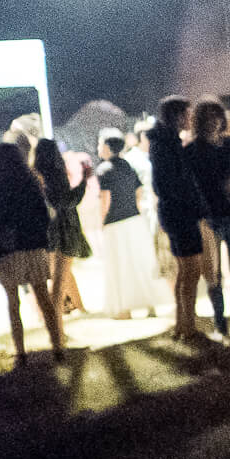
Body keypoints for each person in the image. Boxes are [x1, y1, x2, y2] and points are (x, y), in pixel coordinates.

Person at [0, 141, 67, 364]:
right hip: (32, 245)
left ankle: (20, 352)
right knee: (43, 297)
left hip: (8, 249)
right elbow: (43, 215)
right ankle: (57, 345)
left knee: (13, 302)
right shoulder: (30, 180)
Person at [185, 99, 230, 336]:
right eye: (208, 117)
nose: (214, 122)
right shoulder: (192, 152)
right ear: (200, 122)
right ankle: (220, 324)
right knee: (213, 275)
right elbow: (190, 187)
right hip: (208, 218)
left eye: (217, 116)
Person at [146, 98, 210, 341]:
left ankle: (182, 325)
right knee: (191, 270)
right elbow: (172, 183)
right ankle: (188, 327)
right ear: (177, 116)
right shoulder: (166, 145)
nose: (190, 118)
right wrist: (192, 203)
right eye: (187, 113)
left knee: (185, 271)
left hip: (174, 211)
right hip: (180, 212)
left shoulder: (164, 142)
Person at [92, 131, 164, 318]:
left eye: (100, 144)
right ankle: (150, 305)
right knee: (140, 263)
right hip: (134, 220)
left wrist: (102, 221)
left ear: (107, 147)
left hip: (115, 223)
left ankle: (124, 309)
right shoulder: (127, 165)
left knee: (119, 265)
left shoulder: (103, 170)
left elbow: (105, 200)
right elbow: (138, 191)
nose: (99, 148)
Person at [32, 139, 91, 321]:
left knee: (62, 272)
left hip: (46, 230)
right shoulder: (56, 174)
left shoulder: (36, 175)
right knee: (61, 275)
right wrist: (83, 182)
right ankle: (54, 316)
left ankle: (78, 307)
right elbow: (66, 201)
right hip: (65, 229)